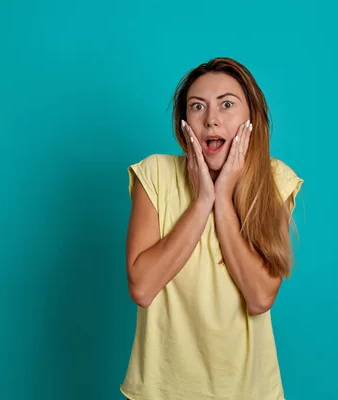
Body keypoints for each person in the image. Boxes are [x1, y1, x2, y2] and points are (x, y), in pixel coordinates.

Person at [120, 57, 304, 400]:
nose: (211, 119)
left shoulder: (274, 179)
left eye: (227, 104)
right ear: (183, 122)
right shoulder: (155, 175)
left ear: (252, 118)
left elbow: (260, 297)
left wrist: (223, 201)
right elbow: (142, 288)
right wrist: (202, 201)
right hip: (160, 391)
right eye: (197, 106)